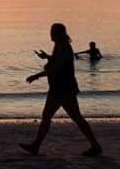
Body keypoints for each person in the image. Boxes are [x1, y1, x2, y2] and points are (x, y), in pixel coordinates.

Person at [20, 22, 102, 157]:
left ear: (58, 34)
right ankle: (95, 145)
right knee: (69, 117)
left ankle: (36, 146)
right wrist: (47, 57)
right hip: (61, 88)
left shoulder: (64, 47)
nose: (50, 35)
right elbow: (58, 62)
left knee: (55, 116)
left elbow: (57, 68)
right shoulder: (60, 46)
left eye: (52, 32)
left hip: (62, 89)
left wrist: (37, 76)